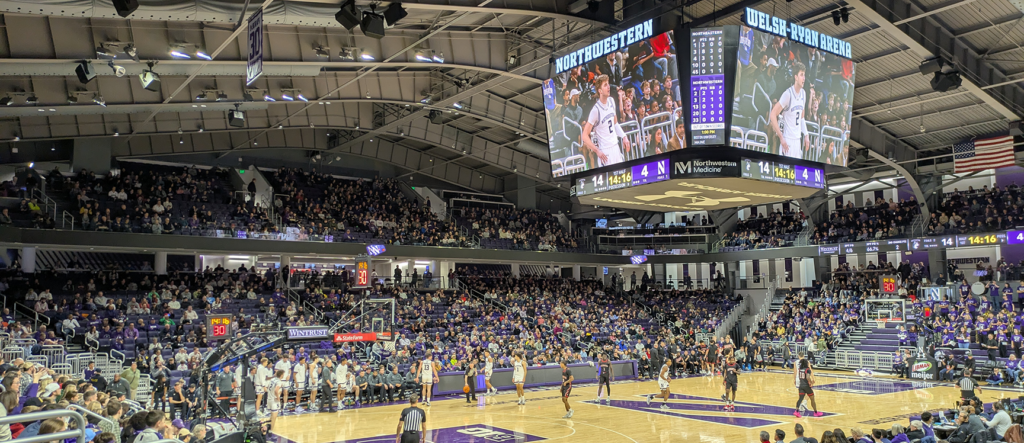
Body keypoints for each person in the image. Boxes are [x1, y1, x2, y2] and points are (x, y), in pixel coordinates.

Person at [582, 75, 631, 167]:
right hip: (605, 152)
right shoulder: (595, 110)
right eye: (605, 85)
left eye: (608, 84)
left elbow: (615, 124)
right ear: (600, 91)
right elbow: (584, 136)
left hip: (616, 147)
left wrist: (624, 136)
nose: (608, 87)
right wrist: (597, 151)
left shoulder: (611, 101)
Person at [769, 62, 810, 159]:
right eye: (801, 75)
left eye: (804, 75)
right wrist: (781, 138)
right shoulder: (788, 94)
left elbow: (801, 117)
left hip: (797, 141)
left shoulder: (803, 94)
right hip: (787, 141)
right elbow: (772, 115)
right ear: (796, 77)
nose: (804, 78)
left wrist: (806, 134)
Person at [793, 353, 822, 418]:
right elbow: (808, 377)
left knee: (800, 399)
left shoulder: (800, 370)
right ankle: (815, 412)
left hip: (801, 385)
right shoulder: (807, 370)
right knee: (812, 399)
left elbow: (797, 373)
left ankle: (796, 411)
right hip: (806, 386)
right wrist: (811, 382)